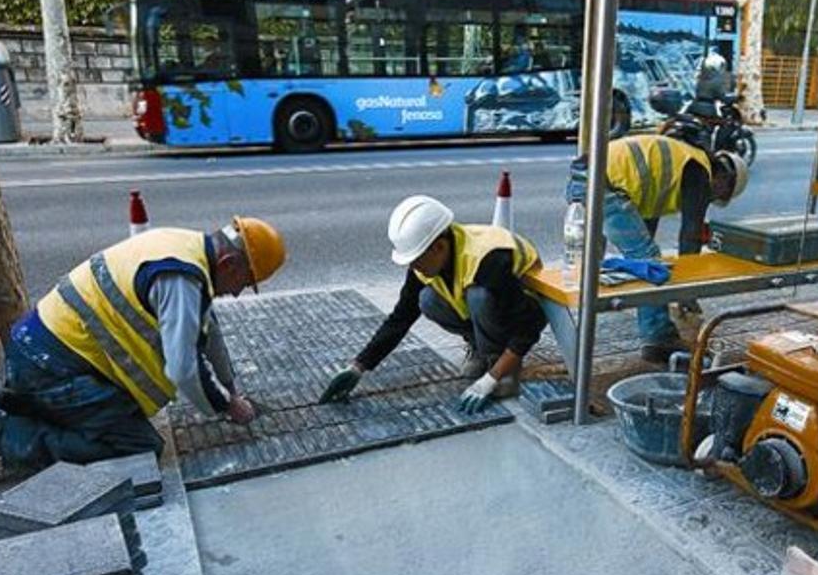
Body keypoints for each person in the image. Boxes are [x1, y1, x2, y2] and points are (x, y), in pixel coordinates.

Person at [0, 217, 286, 488]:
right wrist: (226, 405)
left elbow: (207, 331)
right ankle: (5, 438)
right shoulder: (182, 280)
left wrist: (230, 387)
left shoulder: (183, 247)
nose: (239, 294)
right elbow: (184, 369)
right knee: (139, 448)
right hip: (55, 368)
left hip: (39, 353)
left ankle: (6, 403)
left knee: (112, 416)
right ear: (228, 264)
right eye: (245, 282)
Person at [319, 196, 546, 413]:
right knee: (426, 299)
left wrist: (492, 377)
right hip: (495, 306)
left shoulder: (488, 259)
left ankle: (501, 364)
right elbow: (401, 317)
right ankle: (480, 347)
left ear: (438, 247)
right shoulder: (426, 262)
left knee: (479, 297)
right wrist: (359, 366)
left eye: (416, 259)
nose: (414, 267)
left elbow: (528, 326)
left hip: (529, 304)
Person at [565, 134, 748, 364]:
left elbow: (645, 228)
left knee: (600, 262)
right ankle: (658, 339)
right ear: (724, 178)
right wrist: (687, 292)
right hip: (600, 182)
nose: (710, 199)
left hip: (583, 177)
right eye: (719, 195)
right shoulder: (699, 170)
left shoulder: (673, 170)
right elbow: (690, 233)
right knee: (649, 261)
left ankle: (582, 330)